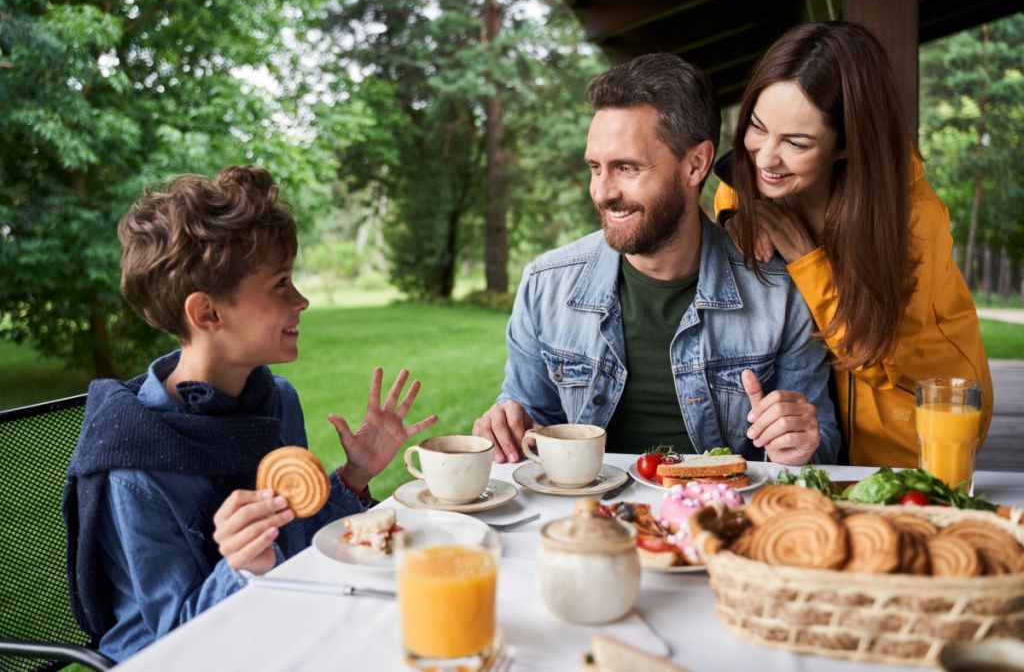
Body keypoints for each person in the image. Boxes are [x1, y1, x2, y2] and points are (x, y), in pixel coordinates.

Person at [62, 166, 437, 661]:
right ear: (207, 314)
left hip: (281, 623)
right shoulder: (136, 460)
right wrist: (240, 569)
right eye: (280, 284)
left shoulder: (275, 400)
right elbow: (174, 637)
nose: (302, 300)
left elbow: (297, 540)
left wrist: (354, 475)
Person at [473, 53, 839, 466]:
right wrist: (506, 426)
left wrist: (801, 444)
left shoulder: (779, 293)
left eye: (627, 168)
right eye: (596, 167)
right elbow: (529, 419)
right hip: (586, 506)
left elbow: (822, 443)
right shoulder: (545, 284)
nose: (603, 192)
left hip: (724, 505)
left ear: (695, 165)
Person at [713, 21, 993, 468]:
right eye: (758, 127)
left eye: (796, 142)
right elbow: (732, 191)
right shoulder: (752, 175)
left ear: (845, 146)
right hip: (810, 422)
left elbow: (879, 361)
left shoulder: (914, 217)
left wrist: (806, 258)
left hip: (907, 425)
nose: (765, 157)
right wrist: (740, 218)